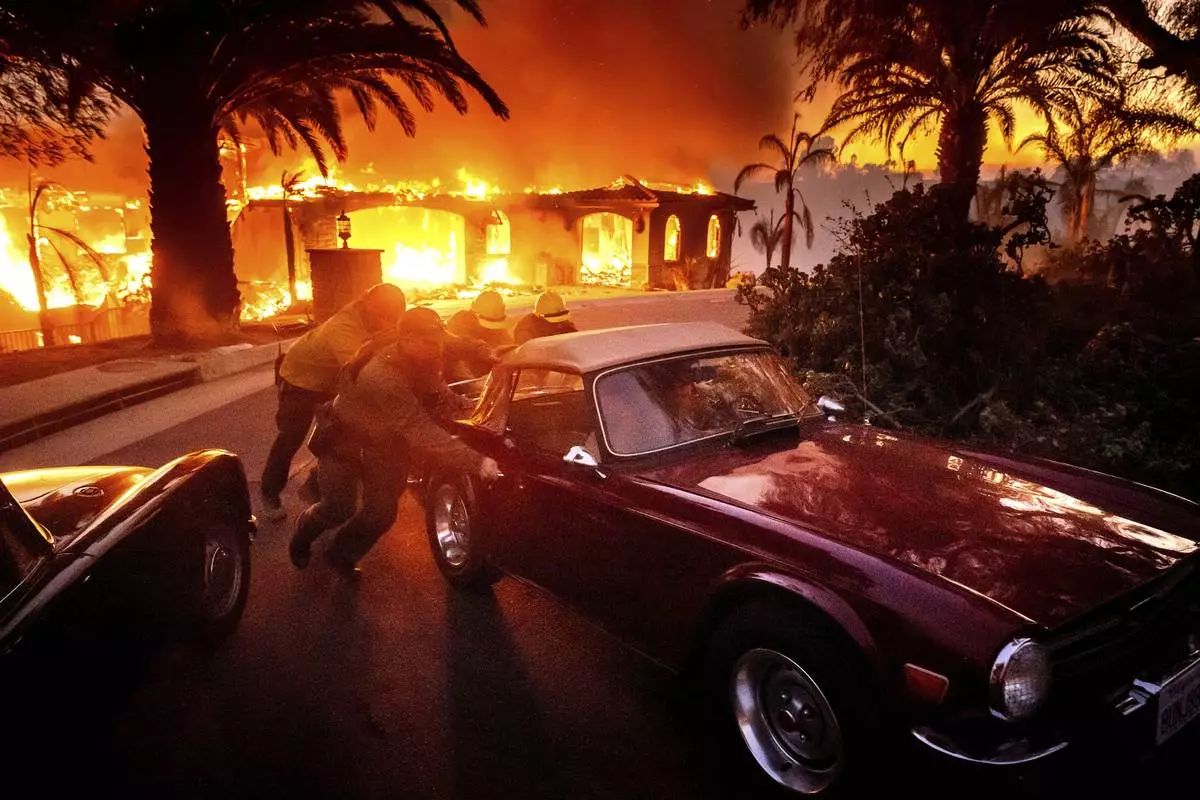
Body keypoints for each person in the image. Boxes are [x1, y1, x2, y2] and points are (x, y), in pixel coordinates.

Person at [289, 307, 500, 581]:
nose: (437, 347)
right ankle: (303, 532)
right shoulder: (382, 376)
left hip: (385, 443)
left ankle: (341, 553)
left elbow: (453, 341)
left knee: (381, 514)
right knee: (338, 506)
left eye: (437, 338)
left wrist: (483, 351)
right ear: (408, 340)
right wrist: (477, 461)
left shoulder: (424, 341)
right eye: (429, 342)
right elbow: (419, 428)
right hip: (345, 440)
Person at [260, 282, 406, 521]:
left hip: (332, 380)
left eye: (394, 318)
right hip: (301, 380)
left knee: (342, 435)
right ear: (371, 312)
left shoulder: (378, 312)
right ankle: (269, 493)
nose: (390, 325)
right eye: (386, 319)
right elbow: (362, 372)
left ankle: (316, 486)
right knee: (291, 438)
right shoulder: (344, 329)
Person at [445, 289, 514, 380]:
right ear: (474, 313)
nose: (490, 328)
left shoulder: (498, 326)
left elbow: (507, 345)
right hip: (466, 378)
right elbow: (456, 351)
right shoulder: (459, 322)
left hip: (489, 375)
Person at [513, 290, 578, 345]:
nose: (559, 323)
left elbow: (574, 339)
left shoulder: (562, 322)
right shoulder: (525, 331)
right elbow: (530, 355)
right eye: (555, 317)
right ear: (539, 316)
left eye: (561, 317)